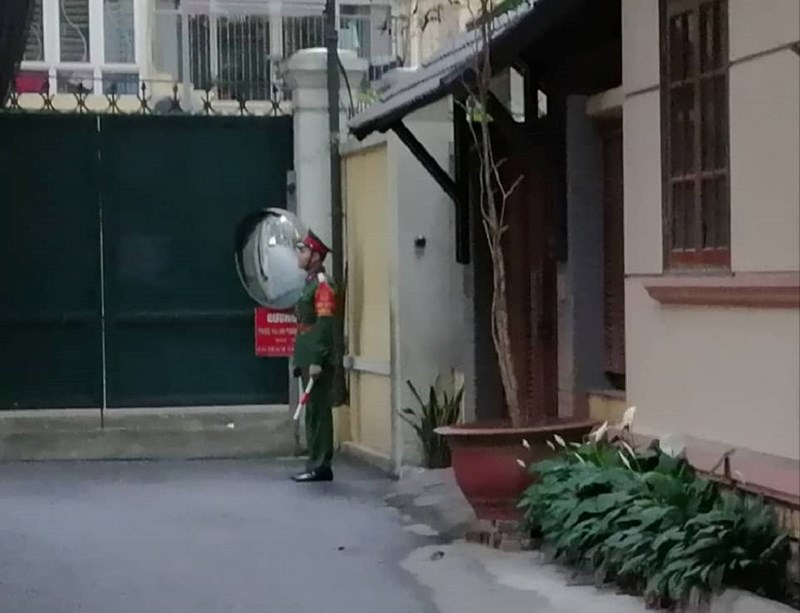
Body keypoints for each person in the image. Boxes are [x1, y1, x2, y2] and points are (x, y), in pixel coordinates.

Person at [291, 229, 338, 482]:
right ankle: (314, 462)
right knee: (312, 411)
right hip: (308, 355)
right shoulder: (310, 283)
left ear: (316, 256)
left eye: (304, 251)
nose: (300, 255)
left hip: (317, 358)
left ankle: (321, 465)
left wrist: (317, 360)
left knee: (318, 412)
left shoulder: (322, 285)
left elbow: (324, 324)